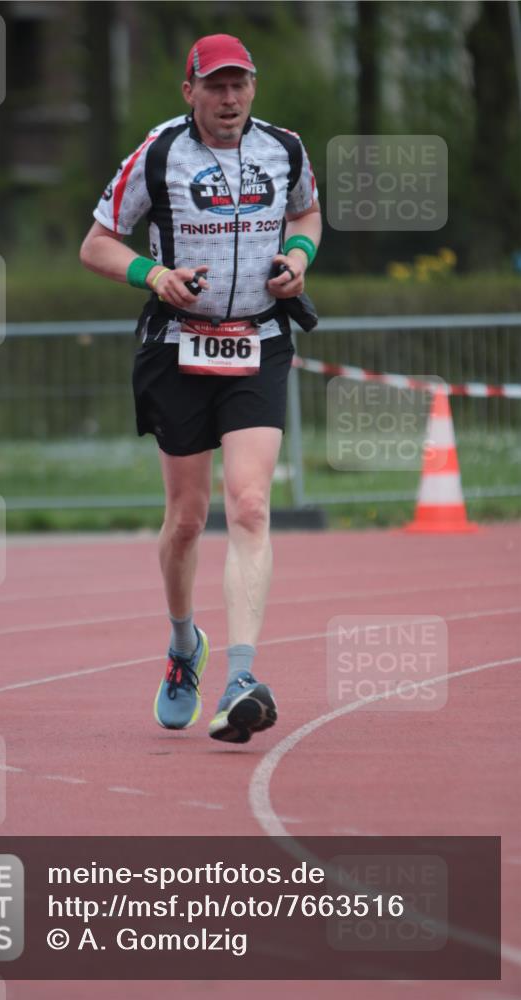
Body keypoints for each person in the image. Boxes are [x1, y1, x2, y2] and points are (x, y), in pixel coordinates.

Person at [80, 33, 321, 744]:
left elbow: (306, 214)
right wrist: (154, 276)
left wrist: (298, 259)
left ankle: (241, 677)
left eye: (239, 84)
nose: (228, 98)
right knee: (186, 520)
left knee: (248, 505)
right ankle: (184, 646)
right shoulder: (158, 154)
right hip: (178, 349)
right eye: (214, 86)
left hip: (259, 341)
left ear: (253, 88)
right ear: (189, 92)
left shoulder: (286, 149)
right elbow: (96, 242)